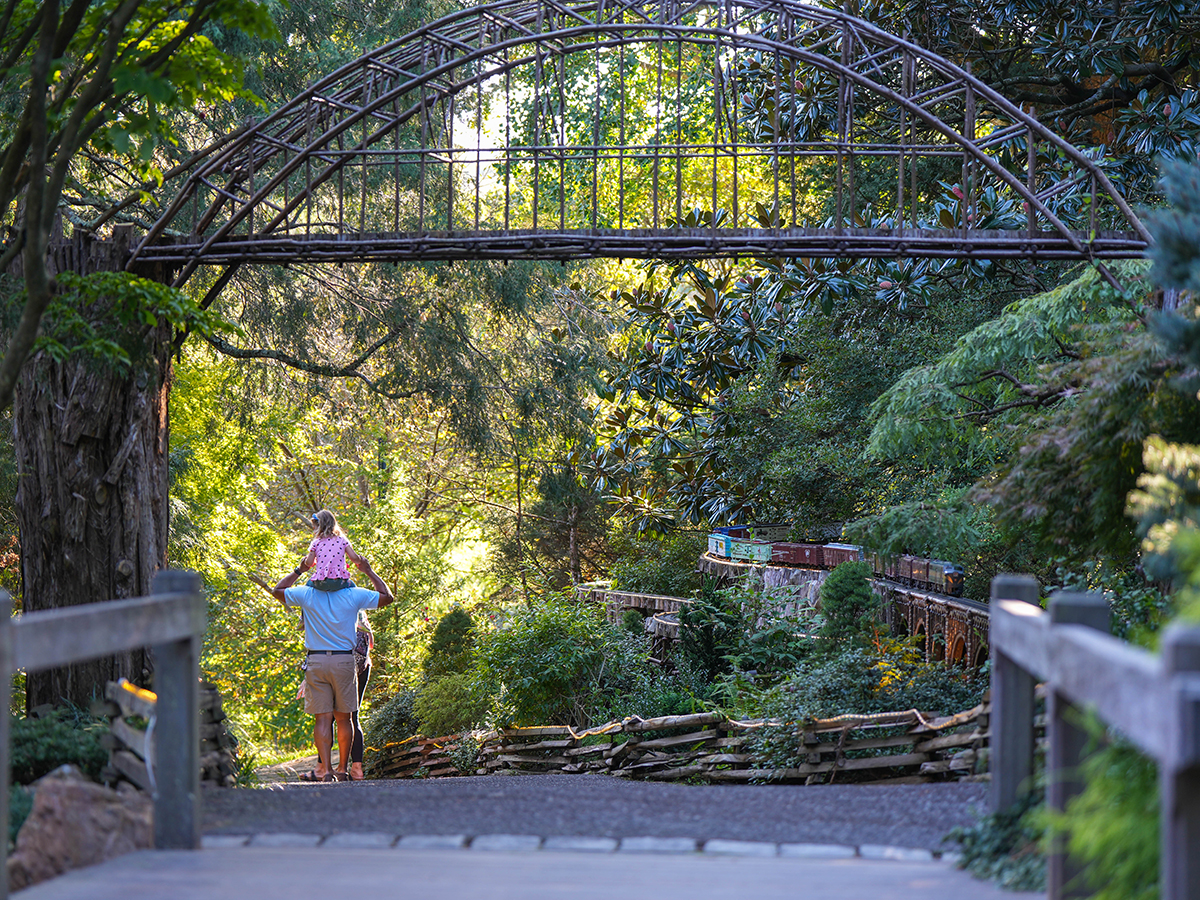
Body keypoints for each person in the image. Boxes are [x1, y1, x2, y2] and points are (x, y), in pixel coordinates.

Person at [270, 544, 393, 782]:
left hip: (316, 660)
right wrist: (367, 570)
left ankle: (326, 771)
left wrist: (300, 568)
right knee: (345, 718)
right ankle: (343, 770)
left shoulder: (306, 594)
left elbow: (278, 590)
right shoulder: (353, 595)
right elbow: (387, 597)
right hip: (343, 661)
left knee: (322, 719)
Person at [301, 509, 365, 591]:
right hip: (340, 582)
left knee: (307, 587)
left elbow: (308, 563)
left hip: (321, 582)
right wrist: (360, 560)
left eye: (314, 527)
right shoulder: (342, 540)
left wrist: (310, 560)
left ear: (319, 526)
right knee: (353, 588)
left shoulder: (316, 542)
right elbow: (355, 559)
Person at [349, 609, 373, 781]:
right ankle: (357, 768)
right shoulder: (361, 614)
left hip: (343, 664)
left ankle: (325, 767)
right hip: (364, 665)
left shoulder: (337, 607)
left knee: (330, 717)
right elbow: (370, 643)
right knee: (353, 717)